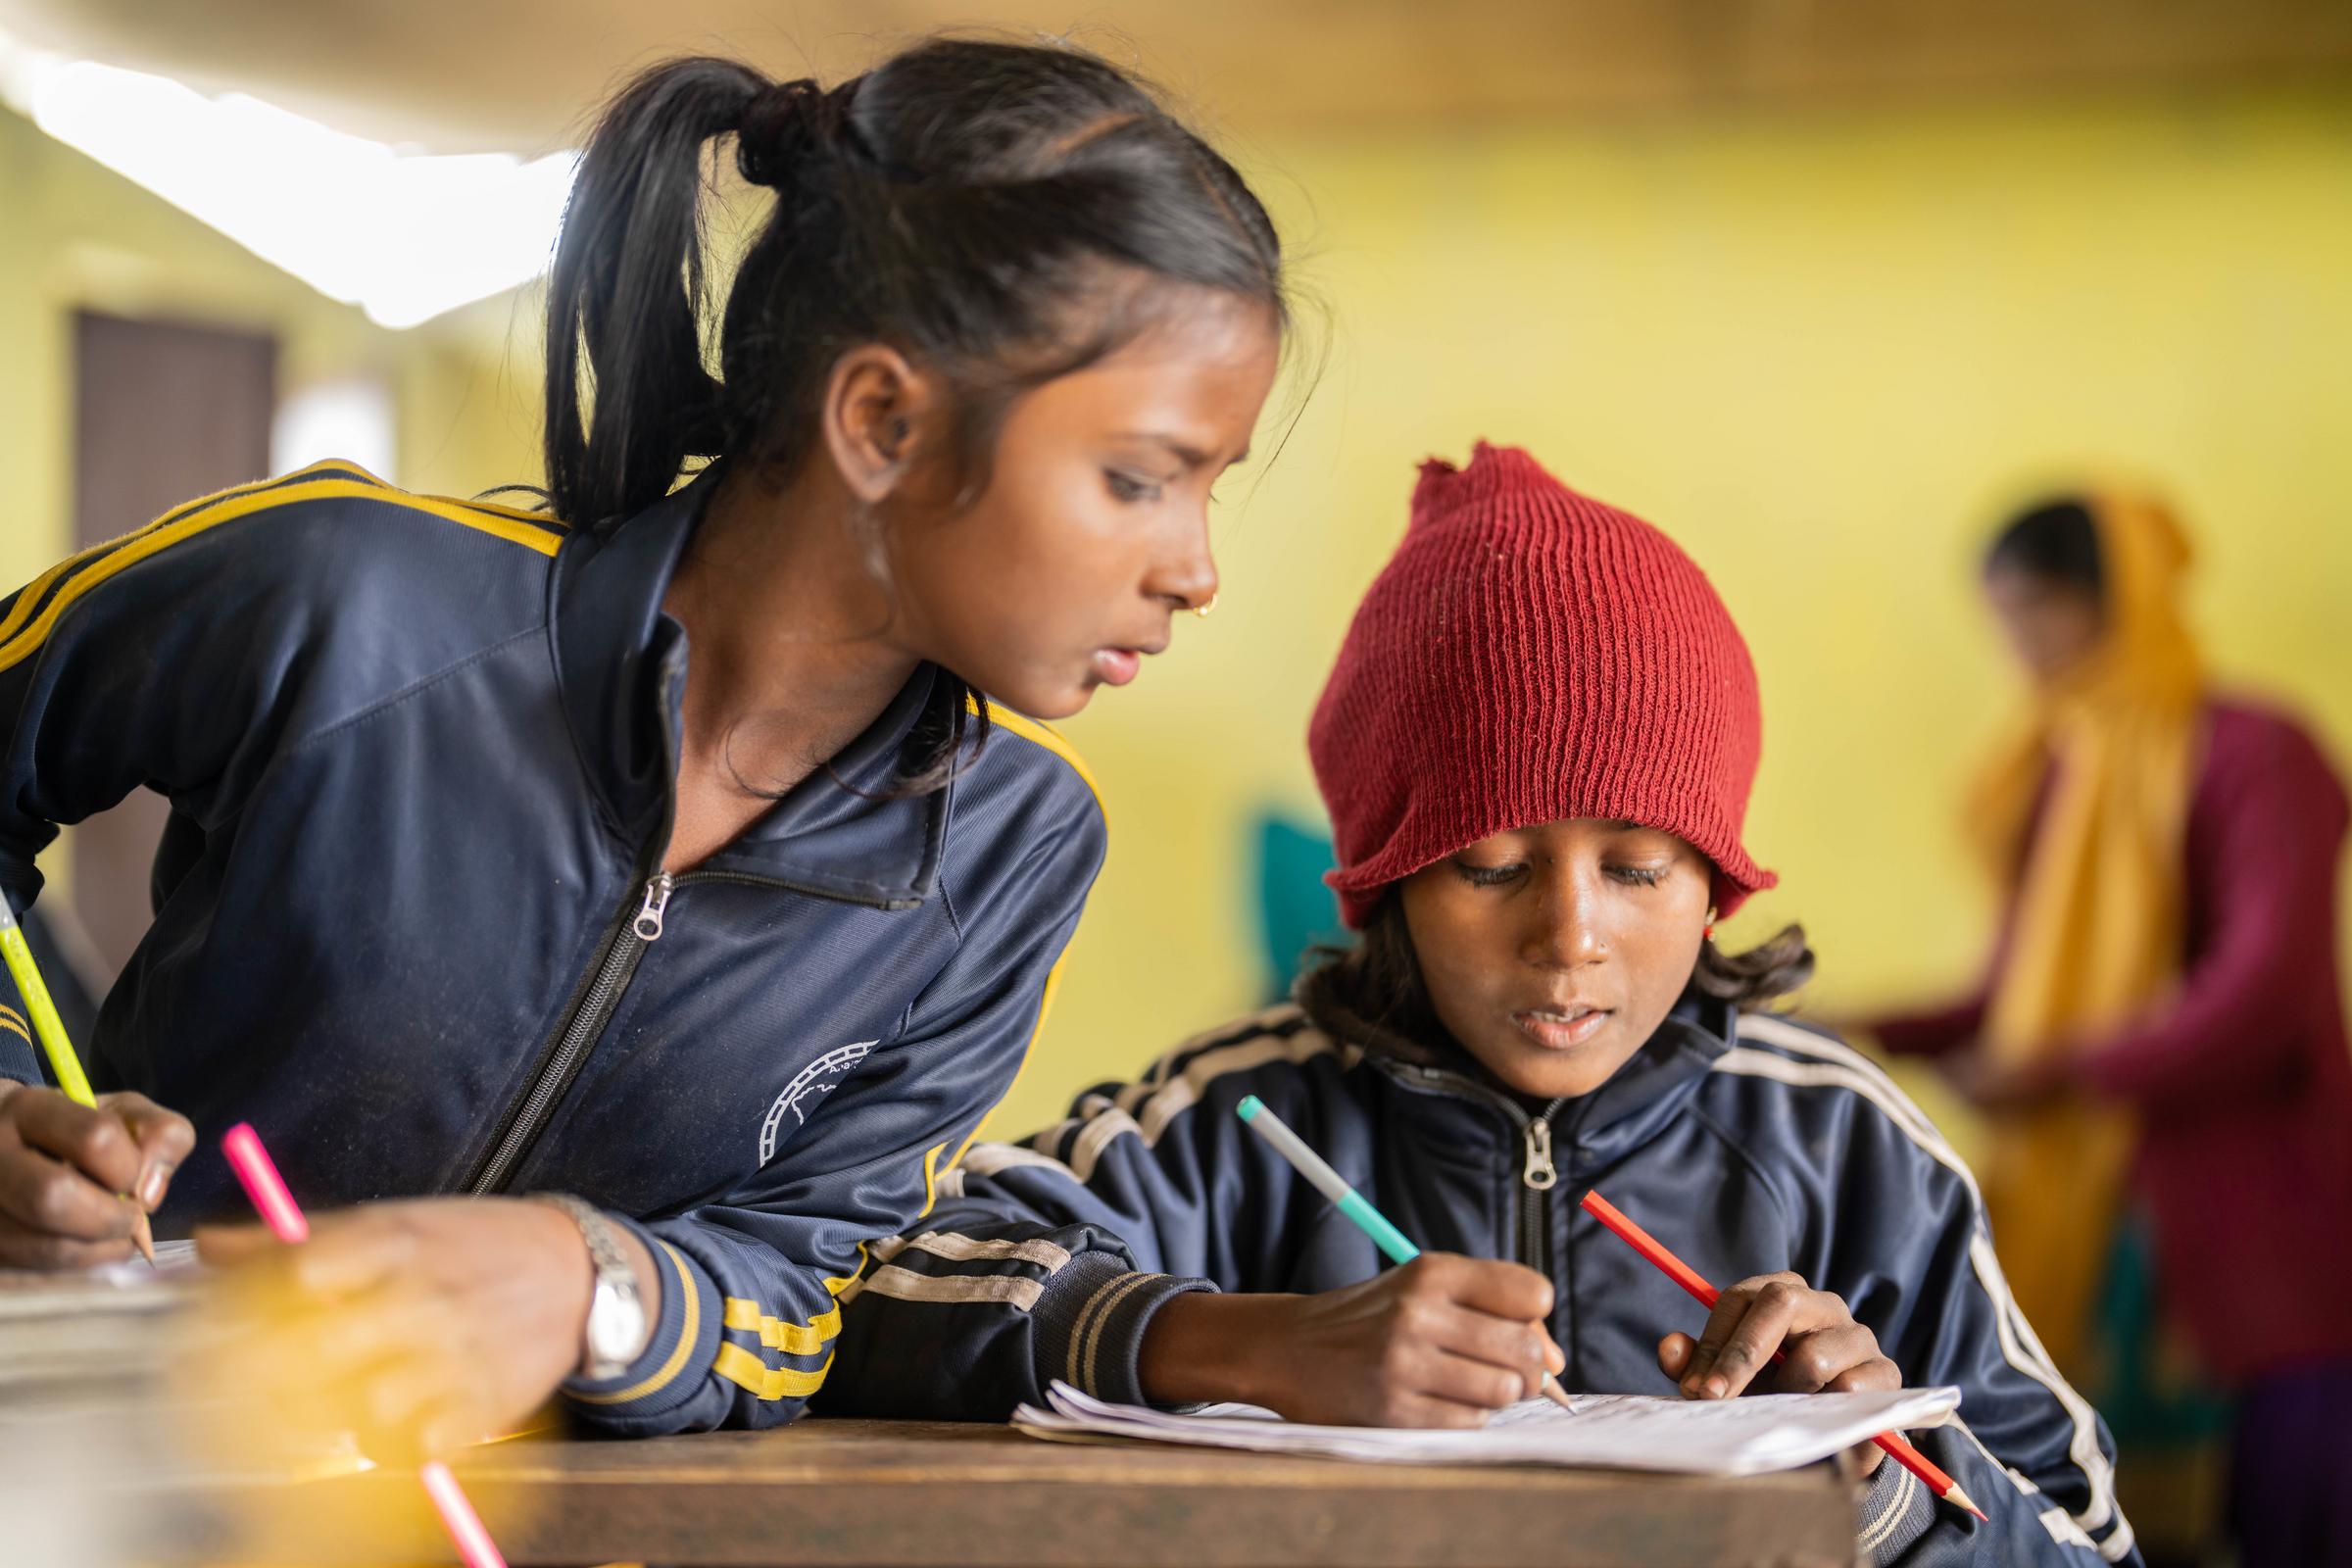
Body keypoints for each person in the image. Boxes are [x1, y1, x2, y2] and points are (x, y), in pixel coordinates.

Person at [0, 37, 1286, 1446]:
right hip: (102, 1465)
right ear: (882, 421)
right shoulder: (341, 597)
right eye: (1138, 480)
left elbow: (810, 1278)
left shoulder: (1012, 850)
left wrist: (587, 1283)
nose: (1197, 571)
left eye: (1207, 490)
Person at [820, 444, 2141, 1566]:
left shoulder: (1844, 1145)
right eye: (1492, 864)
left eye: (1637, 867)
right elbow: (872, 1300)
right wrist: (1246, 1344)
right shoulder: (1233, 1122)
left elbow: (2093, 1542)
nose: (1570, 937)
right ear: (1390, 881)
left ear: (1718, 882)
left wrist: (1884, 1485)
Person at [1865, 496, 2352, 1567]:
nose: (2020, 646)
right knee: (2106, 1511)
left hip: (2249, 1212)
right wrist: (1855, 1029)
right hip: (2090, 1214)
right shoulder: (2062, 769)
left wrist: (2061, 1070)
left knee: (2286, 1510)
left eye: (2038, 612)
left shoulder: (2257, 753)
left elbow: (2263, 993)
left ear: (2112, 601)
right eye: (2004, 618)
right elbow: (2015, 991)